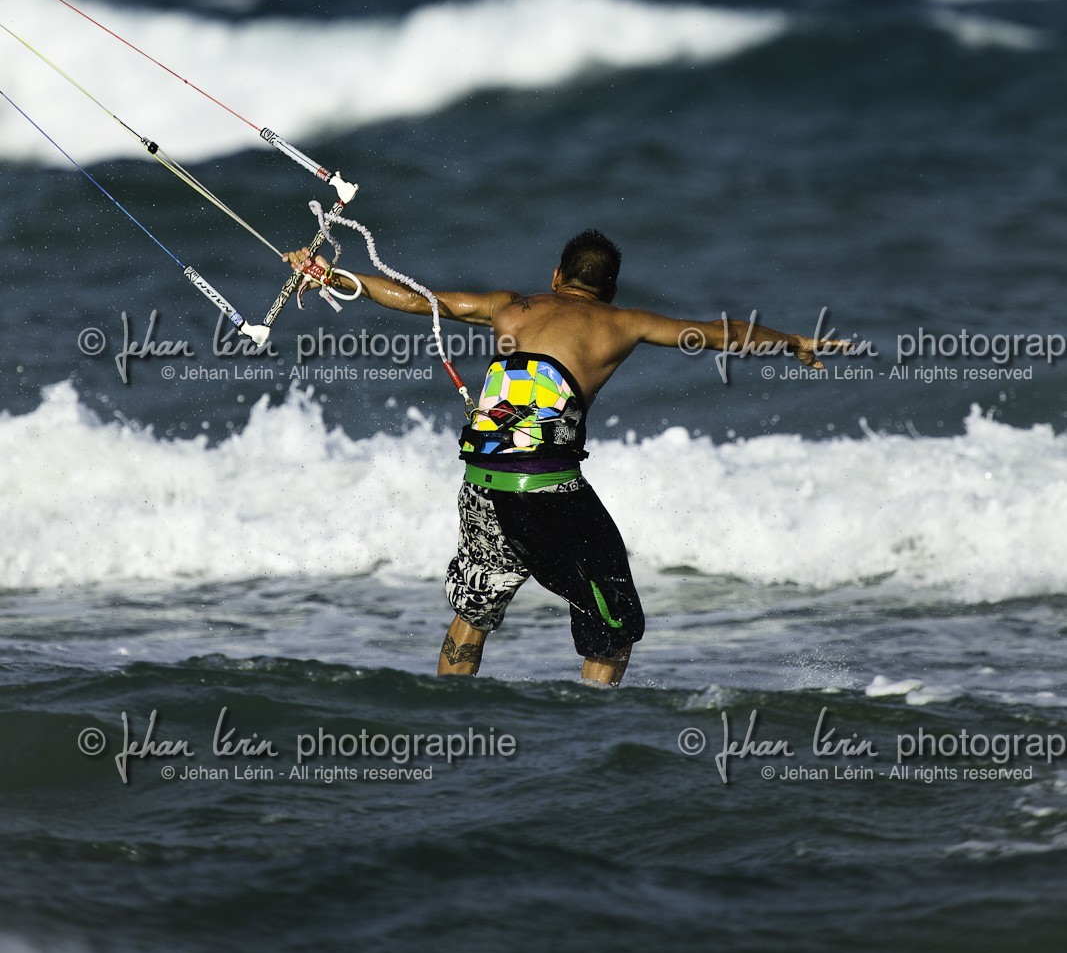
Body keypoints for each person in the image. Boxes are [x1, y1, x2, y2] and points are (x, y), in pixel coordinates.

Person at [286, 229, 848, 687]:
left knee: (475, 607)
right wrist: (793, 342)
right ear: (610, 289)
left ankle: (448, 709)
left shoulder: (510, 308)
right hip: (547, 491)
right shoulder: (623, 324)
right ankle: (593, 723)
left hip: (484, 483)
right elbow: (717, 334)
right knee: (617, 620)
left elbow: (422, 300)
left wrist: (332, 274)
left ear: (558, 277)